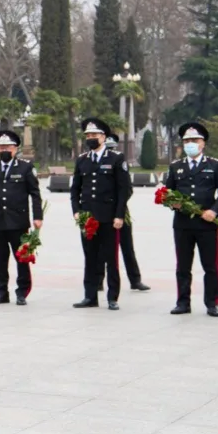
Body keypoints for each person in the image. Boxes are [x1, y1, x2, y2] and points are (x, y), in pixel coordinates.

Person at [165, 122, 218, 317]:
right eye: (187, 141)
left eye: (195, 140)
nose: (190, 144)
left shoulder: (215, 165)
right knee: (183, 266)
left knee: (210, 265)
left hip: (206, 223)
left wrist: (215, 211)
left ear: (203, 143)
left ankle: (212, 302)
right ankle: (183, 302)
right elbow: (168, 192)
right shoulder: (176, 166)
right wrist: (171, 203)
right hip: (183, 224)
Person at [70, 118, 131, 311]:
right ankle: (90, 296)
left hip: (109, 218)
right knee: (90, 257)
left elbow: (124, 190)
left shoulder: (116, 159)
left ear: (103, 137)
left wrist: (119, 215)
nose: (91, 138)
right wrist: (77, 211)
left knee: (110, 258)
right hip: (88, 218)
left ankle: (112, 297)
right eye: (88, 136)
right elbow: (75, 189)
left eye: (94, 135)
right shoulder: (82, 160)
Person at [0, 130, 43, 306]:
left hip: (18, 222)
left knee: (21, 258)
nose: (4, 149)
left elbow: (35, 194)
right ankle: (2, 291)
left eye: (8, 146)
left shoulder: (25, 167)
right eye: (1, 147)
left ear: (15, 148)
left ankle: (22, 291)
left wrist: (38, 217)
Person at [105, 133, 151, 292]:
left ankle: (135, 279)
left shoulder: (120, 161)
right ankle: (97, 281)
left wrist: (119, 206)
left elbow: (127, 189)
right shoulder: (94, 162)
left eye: (113, 148)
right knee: (100, 249)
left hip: (121, 211)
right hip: (102, 211)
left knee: (127, 246)